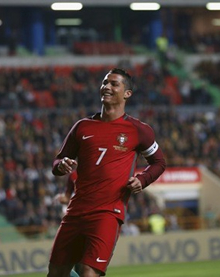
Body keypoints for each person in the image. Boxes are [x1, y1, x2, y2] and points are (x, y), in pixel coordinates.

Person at [48, 68, 166, 277]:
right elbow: (57, 162)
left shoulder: (138, 130)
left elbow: (158, 162)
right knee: (56, 273)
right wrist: (62, 165)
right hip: (75, 212)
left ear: (127, 93)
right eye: (104, 83)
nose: (106, 87)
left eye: (114, 84)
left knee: (88, 272)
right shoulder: (82, 127)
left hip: (107, 213)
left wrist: (143, 179)